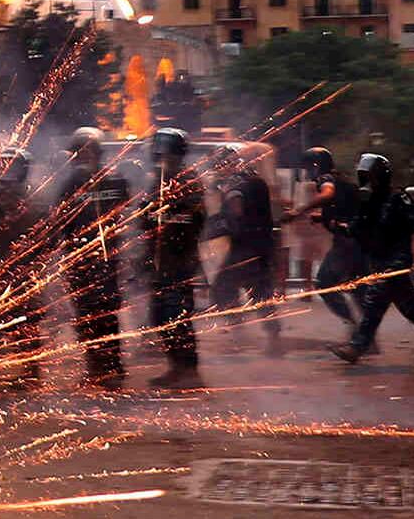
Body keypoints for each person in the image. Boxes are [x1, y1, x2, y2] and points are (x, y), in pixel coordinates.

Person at [329, 154, 414, 367]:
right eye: (365, 177)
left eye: (371, 177)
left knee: (374, 302)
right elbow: (357, 228)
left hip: (396, 260)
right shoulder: (369, 202)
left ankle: (357, 346)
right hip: (379, 260)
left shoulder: (398, 198)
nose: (368, 182)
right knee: (410, 306)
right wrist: (336, 226)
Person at [56, 127, 131, 388]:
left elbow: (60, 222)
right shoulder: (117, 178)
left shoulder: (71, 183)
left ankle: (102, 369)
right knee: (104, 313)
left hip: (88, 259)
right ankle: (109, 366)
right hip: (107, 257)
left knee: (92, 314)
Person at [140, 129, 207, 388]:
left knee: (176, 315)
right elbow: (145, 217)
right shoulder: (157, 179)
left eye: (166, 155)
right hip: (159, 261)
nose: (162, 159)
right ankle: (176, 367)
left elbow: (194, 220)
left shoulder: (189, 180)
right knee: (159, 316)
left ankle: (189, 371)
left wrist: (168, 217)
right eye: (159, 155)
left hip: (179, 261)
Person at [209, 144, 283, 354]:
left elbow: (236, 207)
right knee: (261, 291)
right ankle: (272, 337)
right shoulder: (255, 178)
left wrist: (220, 225)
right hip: (262, 243)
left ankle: (239, 331)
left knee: (222, 288)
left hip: (245, 246)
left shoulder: (235, 182)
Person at [0, 147, 47, 383]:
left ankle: (30, 371)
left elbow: (45, 232)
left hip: (24, 268)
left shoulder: (34, 196)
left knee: (28, 320)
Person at [283, 147, 363, 332]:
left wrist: (297, 211)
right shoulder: (342, 179)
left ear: (315, 166)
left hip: (347, 241)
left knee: (325, 283)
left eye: (307, 168)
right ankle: (364, 338)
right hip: (358, 238)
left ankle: (356, 330)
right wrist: (323, 217)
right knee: (359, 289)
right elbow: (344, 206)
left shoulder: (325, 179)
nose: (307, 173)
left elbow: (328, 194)